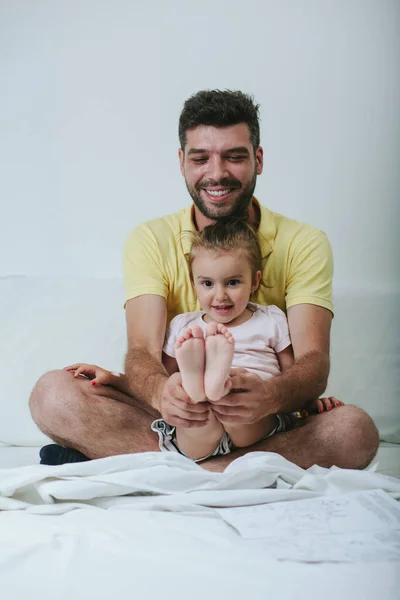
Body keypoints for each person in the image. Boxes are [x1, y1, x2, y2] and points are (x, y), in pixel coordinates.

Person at [30, 89, 379, 471]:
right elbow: (144, 355)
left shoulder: (305, 242)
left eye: (234, 156)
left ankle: (167, 470)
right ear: (182, 162)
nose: (217, 173)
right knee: (52, 394)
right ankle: (229, 470)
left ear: (258, 160)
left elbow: (312, 363)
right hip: (181, 420)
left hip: (261, 421)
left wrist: (271, 395)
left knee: (354, 430)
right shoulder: (149, 239)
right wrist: (164, 393)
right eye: (200, 158)